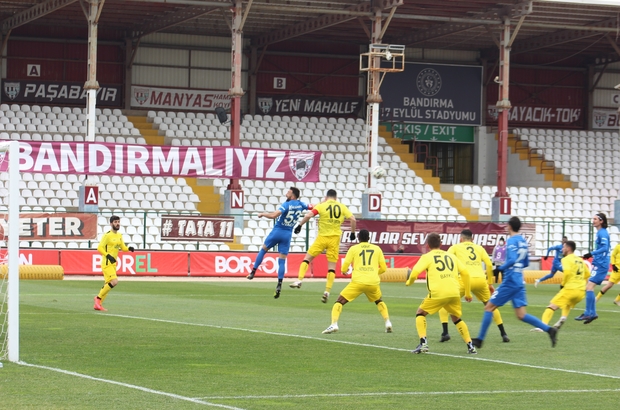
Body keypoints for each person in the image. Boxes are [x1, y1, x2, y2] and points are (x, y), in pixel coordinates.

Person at [472, 216, 558, 349]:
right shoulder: (523, 241)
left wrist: (500, 268)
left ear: (510, 226)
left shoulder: (511, 241)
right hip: (519, 280)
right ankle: (549, 330)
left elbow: (511, 259)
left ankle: (480, 340)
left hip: (510, 281)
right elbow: (526, 262)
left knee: (489, 307)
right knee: (521, 315)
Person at [406, 233, 477, 355]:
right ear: (441, 244)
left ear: (427, 245)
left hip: (438, 292)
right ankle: (470, 346)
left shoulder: (427, 257)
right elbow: (465, 273)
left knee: (420, 313)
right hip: (454, 292)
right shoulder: (451, 256)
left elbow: (414, 273)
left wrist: (409, 282)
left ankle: (423, 343)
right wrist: (467, 293)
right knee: (456, 318)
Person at [438, 229, 510, 343]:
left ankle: (445, 332)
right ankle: (503, 333)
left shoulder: (455, 247)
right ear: (473, 239)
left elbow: (446, 261)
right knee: (491, 305)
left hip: (464, 280)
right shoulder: (479, 248)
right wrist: (490, 283)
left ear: (460, 239)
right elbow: (489, 264)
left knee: (444, 303)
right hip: (481, 280)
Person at [291, 189, 356, 303]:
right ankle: (327, 292)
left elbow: (309, 214)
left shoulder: (322, 205)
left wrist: (299, 225)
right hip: (334, 239)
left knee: (307, 259)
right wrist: (352, 233)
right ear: (335, 198)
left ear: (326, 197)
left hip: (322, 238)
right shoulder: (341, 206)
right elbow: (353, 219)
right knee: (331, 267)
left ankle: (299, 280)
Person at [322, 229, 392, 334]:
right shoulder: (377, 249)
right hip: (373, 282)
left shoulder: (353, 248)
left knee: (339, 301)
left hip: (358, 282)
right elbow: (383, 268)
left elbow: (345, 265)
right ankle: (388, 323)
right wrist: (373, 273)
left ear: (358, 238)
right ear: (369, 238)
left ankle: (334, 324)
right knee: (379, 301)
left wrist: (344, 271)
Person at [246, 187, 310, 299]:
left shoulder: (286, 205)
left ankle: (253, 272)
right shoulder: (301, 204)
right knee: (282, 260)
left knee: (263, 249)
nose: (286, 193)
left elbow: (273, 216)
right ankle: (279, 284)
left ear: (293, 195)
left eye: (288, 192)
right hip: (287, 235)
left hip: (278, 231)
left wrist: (262, 214)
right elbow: (313, 207)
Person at [532, 240, 590, 332]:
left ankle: (542, 326)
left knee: (551, 306)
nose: (562, 249)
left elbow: (566, 272)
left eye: (563, 247)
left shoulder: (565, 259)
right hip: (581, 292)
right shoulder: (580, 260)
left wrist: (563, 285)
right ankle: (563, 317)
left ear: (568, 248)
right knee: (567, 303)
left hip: (570, 289)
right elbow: (587, 274)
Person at [94, 215, 134, 311]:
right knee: (114, 281)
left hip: (113, 264)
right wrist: (108, 255)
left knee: (108, 285)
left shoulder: (119, 235)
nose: (117, 223)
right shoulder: (107, 235)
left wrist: (128, 248)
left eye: (118, 222)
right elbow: (99, 247)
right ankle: (98, 298)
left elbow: (123, 247)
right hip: (107, 263)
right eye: (115, 222)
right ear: (111, 224)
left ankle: (98, 305)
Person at [576, 213, 610, 324]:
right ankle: (592, 313)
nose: (593, 220)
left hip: (601, 264)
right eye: (593, 219)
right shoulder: (600, 233)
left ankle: (588, 313)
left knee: (589, 288)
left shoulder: (602, 233)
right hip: (599, 263)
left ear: (601, 221)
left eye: (595, 219)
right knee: (589, 287)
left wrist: (591, 253)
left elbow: (605, 248)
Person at [595, 242, 620, 306]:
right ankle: (597, 298)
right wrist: (613, 265)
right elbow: (613, 255)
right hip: (617, 270)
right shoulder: (618, 246)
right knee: (609, 285)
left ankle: (617, 300)